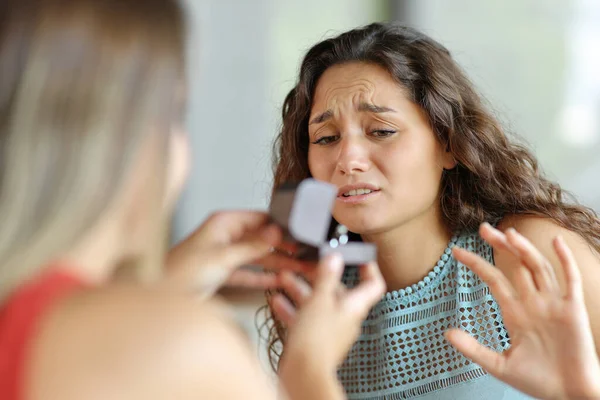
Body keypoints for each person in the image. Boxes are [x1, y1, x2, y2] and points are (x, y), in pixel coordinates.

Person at [0, 1, 385, 399]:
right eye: (175, 115)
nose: (349, 161)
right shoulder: (186, 349)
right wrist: (309, 366)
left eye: (382, 130)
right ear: (123, 141)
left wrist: (163, 284)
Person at [264, 22, 600, 399]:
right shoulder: (318, 303)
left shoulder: (527, 254)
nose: (348, 159)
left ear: (449, 144)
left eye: (380, 131)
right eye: (326, 138)